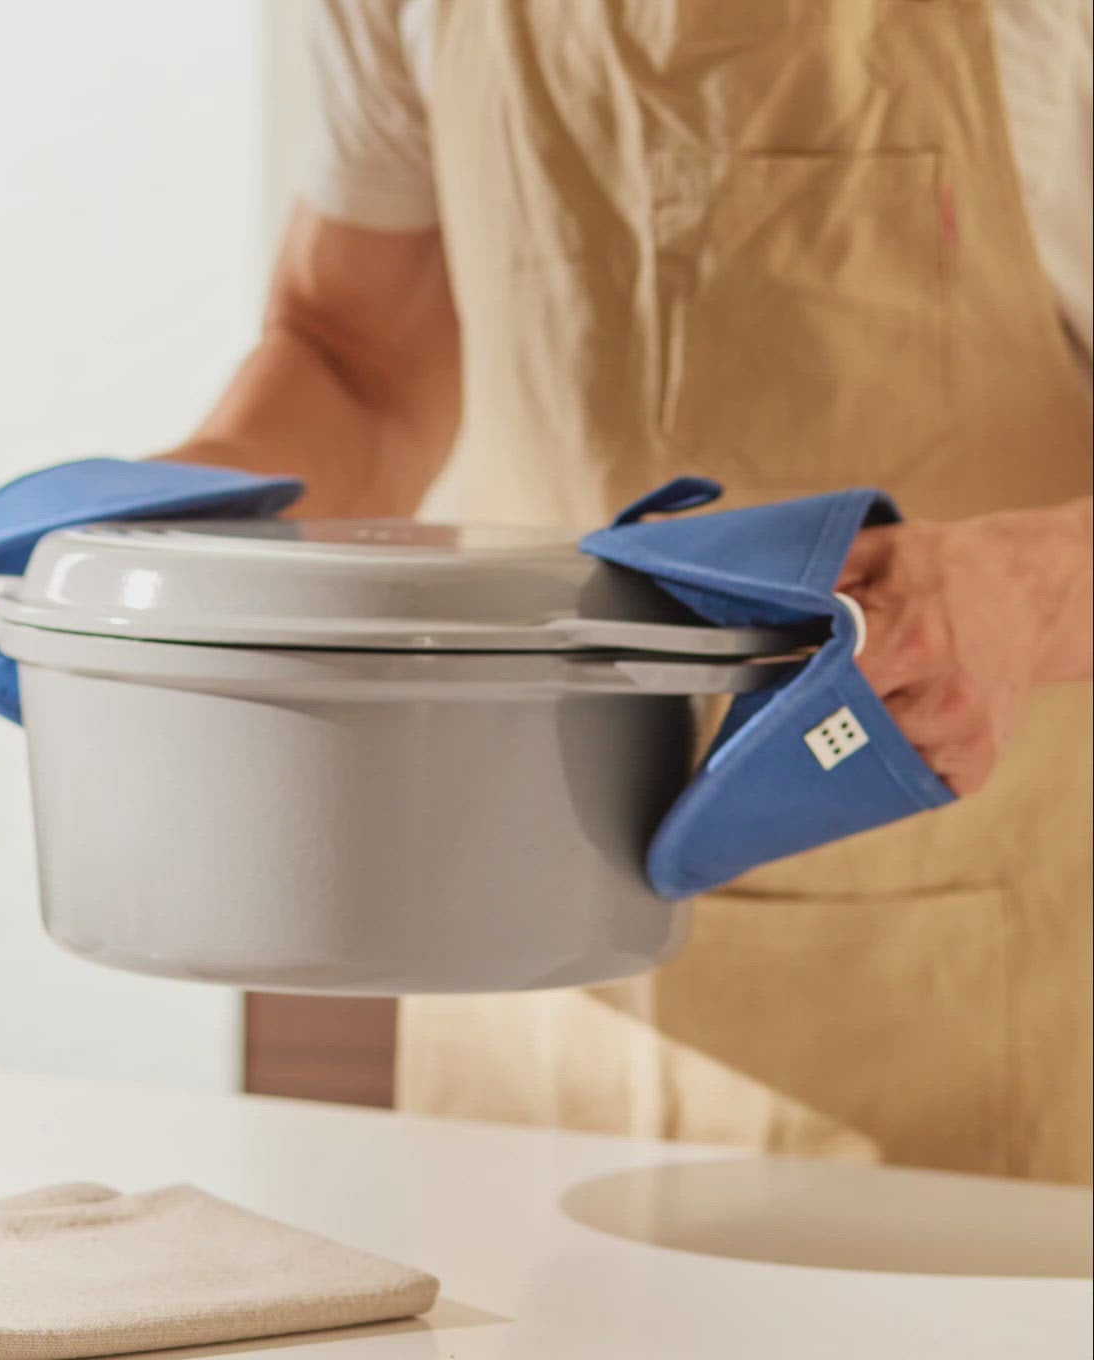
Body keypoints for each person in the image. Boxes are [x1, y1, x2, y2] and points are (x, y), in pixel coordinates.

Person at [164, 0, 1094, 1183]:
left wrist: (1026, 593)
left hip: (969, 977)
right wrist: (150, 530)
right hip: (511, 946)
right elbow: (359, 356)